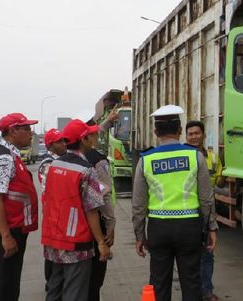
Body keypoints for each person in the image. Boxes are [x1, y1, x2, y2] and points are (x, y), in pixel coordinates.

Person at [132, 105, 218, 301]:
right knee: (191, 282)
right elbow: (206, 198)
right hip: (189, 228)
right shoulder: (195, 156)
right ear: (180, 130)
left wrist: (139, 234)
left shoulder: (146, 160)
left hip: (158, 228)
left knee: (159, 282)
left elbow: (138, 204)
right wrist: (211, 227)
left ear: (155, 132)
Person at [41, 119, 111, 301]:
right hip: (76, 240)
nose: (94, 138)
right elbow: (92, 209)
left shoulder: (53, 166)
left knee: (55, 289)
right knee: (75, 291)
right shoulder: (86, 170)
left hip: (53, 237)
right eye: (91, 135)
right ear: (83, 139)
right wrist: (101, 243)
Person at [0, 113, 39, 301]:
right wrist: (6, 236)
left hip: (11, 229)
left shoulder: (9, 154)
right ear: (13, 131)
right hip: (5, 232)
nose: (31, 134)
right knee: (4, 289)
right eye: (27, 129)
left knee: (9, 286)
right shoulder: (4, 158)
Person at [185, 120, 223, 301]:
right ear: (185, 136)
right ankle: (192, 292)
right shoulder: (183, 156)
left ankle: (206, 291)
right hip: (187, 212)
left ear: (203, 135)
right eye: (190, 134)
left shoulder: (213, 157)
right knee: (189, 255)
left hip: (207, 211)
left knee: (207, 254)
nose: (194, 137)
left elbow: (219, 179)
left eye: (197, 133)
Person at [85, 119, 116, 301]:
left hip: (71, 230)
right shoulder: (97, 160)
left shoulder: (63, 161)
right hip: (96, 223)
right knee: (95, 279)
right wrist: (111, 223)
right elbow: (103, 194)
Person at [37, 128, 67, 294]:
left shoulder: (62, 160)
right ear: (50, 145)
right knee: (53, 255)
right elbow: (53, 191)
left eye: (64, 141)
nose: (64, 144)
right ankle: (52, 287)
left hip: (60, 215)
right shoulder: (48, 164)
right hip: (53, 216)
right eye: (60, 142)